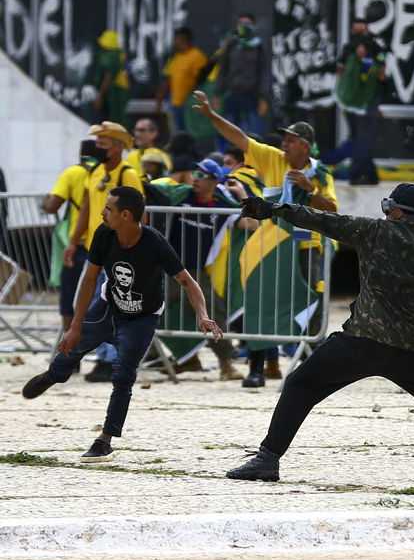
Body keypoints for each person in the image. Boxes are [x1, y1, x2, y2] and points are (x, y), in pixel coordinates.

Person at [225, 181, 414, 482]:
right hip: (409, 347)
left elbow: (321, 220)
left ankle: (268, 459)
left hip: (362, 341)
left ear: (397, 212)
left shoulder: (376, 231)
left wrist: (274, 209)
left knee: (299, 385)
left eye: (389, 208)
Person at [22, 187, 222, 462]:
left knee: (123, 375)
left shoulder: (155, 243)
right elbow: (89, 279)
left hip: (141, 318)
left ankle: (104, 439)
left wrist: (202, 314)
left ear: (125, 215)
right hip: (107, 307)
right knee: (70, 348)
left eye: (108, 209)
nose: (102, 213)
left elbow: (188, 281)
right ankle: (54, 375)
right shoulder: (104, 234)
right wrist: (76, 325)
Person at [192, 90, 337, 386]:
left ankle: (307, 368)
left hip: (307, 247)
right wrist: (210, 116)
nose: (283, 144)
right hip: (270, 245)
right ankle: (258, 368)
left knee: (309, 306)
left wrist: (310, 189)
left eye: (290, 140)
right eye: (283, 140)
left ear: (305, 146)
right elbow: (239, 138)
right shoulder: (273, 160)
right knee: (261, 302)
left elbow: (332, 209)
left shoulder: (321, 173)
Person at [163, 158, 257, 381]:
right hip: (167, 268)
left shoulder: (223, 204)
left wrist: (242, 194)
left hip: (195, 272)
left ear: (215, 181)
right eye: (195, 172)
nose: (195, 178)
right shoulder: (181, 196)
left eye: (202, 175)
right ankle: (186, 359)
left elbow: (252, 225)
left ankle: (226, 364)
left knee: (213, 313)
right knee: (149, 311)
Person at [64, 122, 144, 382]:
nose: (97, 148)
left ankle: (110, 361)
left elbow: (141, 212)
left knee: (110, 308)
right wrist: (73, 241)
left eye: (103, 144)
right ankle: (98, 357)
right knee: (90, 306)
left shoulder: (128, 174)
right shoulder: (95, 171)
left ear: (118, 147)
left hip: (119, 251)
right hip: (95, 249)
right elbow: (86, 208)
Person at [42, 139, 99, 333]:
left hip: (80, 244)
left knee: (70, 299)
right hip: (105, 245)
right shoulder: (105, 174)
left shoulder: (73, 173)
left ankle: (70, 352)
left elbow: (52, 206)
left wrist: (44, 201)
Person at [332, 18, 386, 185]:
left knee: (364, 137)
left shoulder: (376, 47)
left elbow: (382, 72)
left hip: (368, 100)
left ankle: (360, 173)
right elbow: (340, 70)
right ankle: (367, 174)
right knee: (358, 137)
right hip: (353, 101)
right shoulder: (348, 49)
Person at [215, 12, 268, 140]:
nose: (244, 26)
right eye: (241, 23)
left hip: (252, 95)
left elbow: (264, 73)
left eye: (247, 24)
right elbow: (223, 70)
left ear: (253, 26)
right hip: (232, 94)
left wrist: (263, 97)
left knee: (253, 134)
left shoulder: (258, 47)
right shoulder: (231, 44)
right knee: (229, 132)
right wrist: (217, 94)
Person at [158, 27, 208, 132]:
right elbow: (168, 79)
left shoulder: (197, 56)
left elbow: (202, 81)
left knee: (190, 132)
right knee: (177, 133)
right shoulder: (175, 57)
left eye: (176, 39)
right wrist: (160, 99)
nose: (174, 42)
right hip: (174, 104)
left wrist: (194, 100)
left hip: (189, 104)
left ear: (183, 39)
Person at [92, 30, 129, 125]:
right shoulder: (118, 53)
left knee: (113, 120)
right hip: (120, 89)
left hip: (115, 91)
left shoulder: (111, 56)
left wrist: (100, 96)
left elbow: (108, 76)